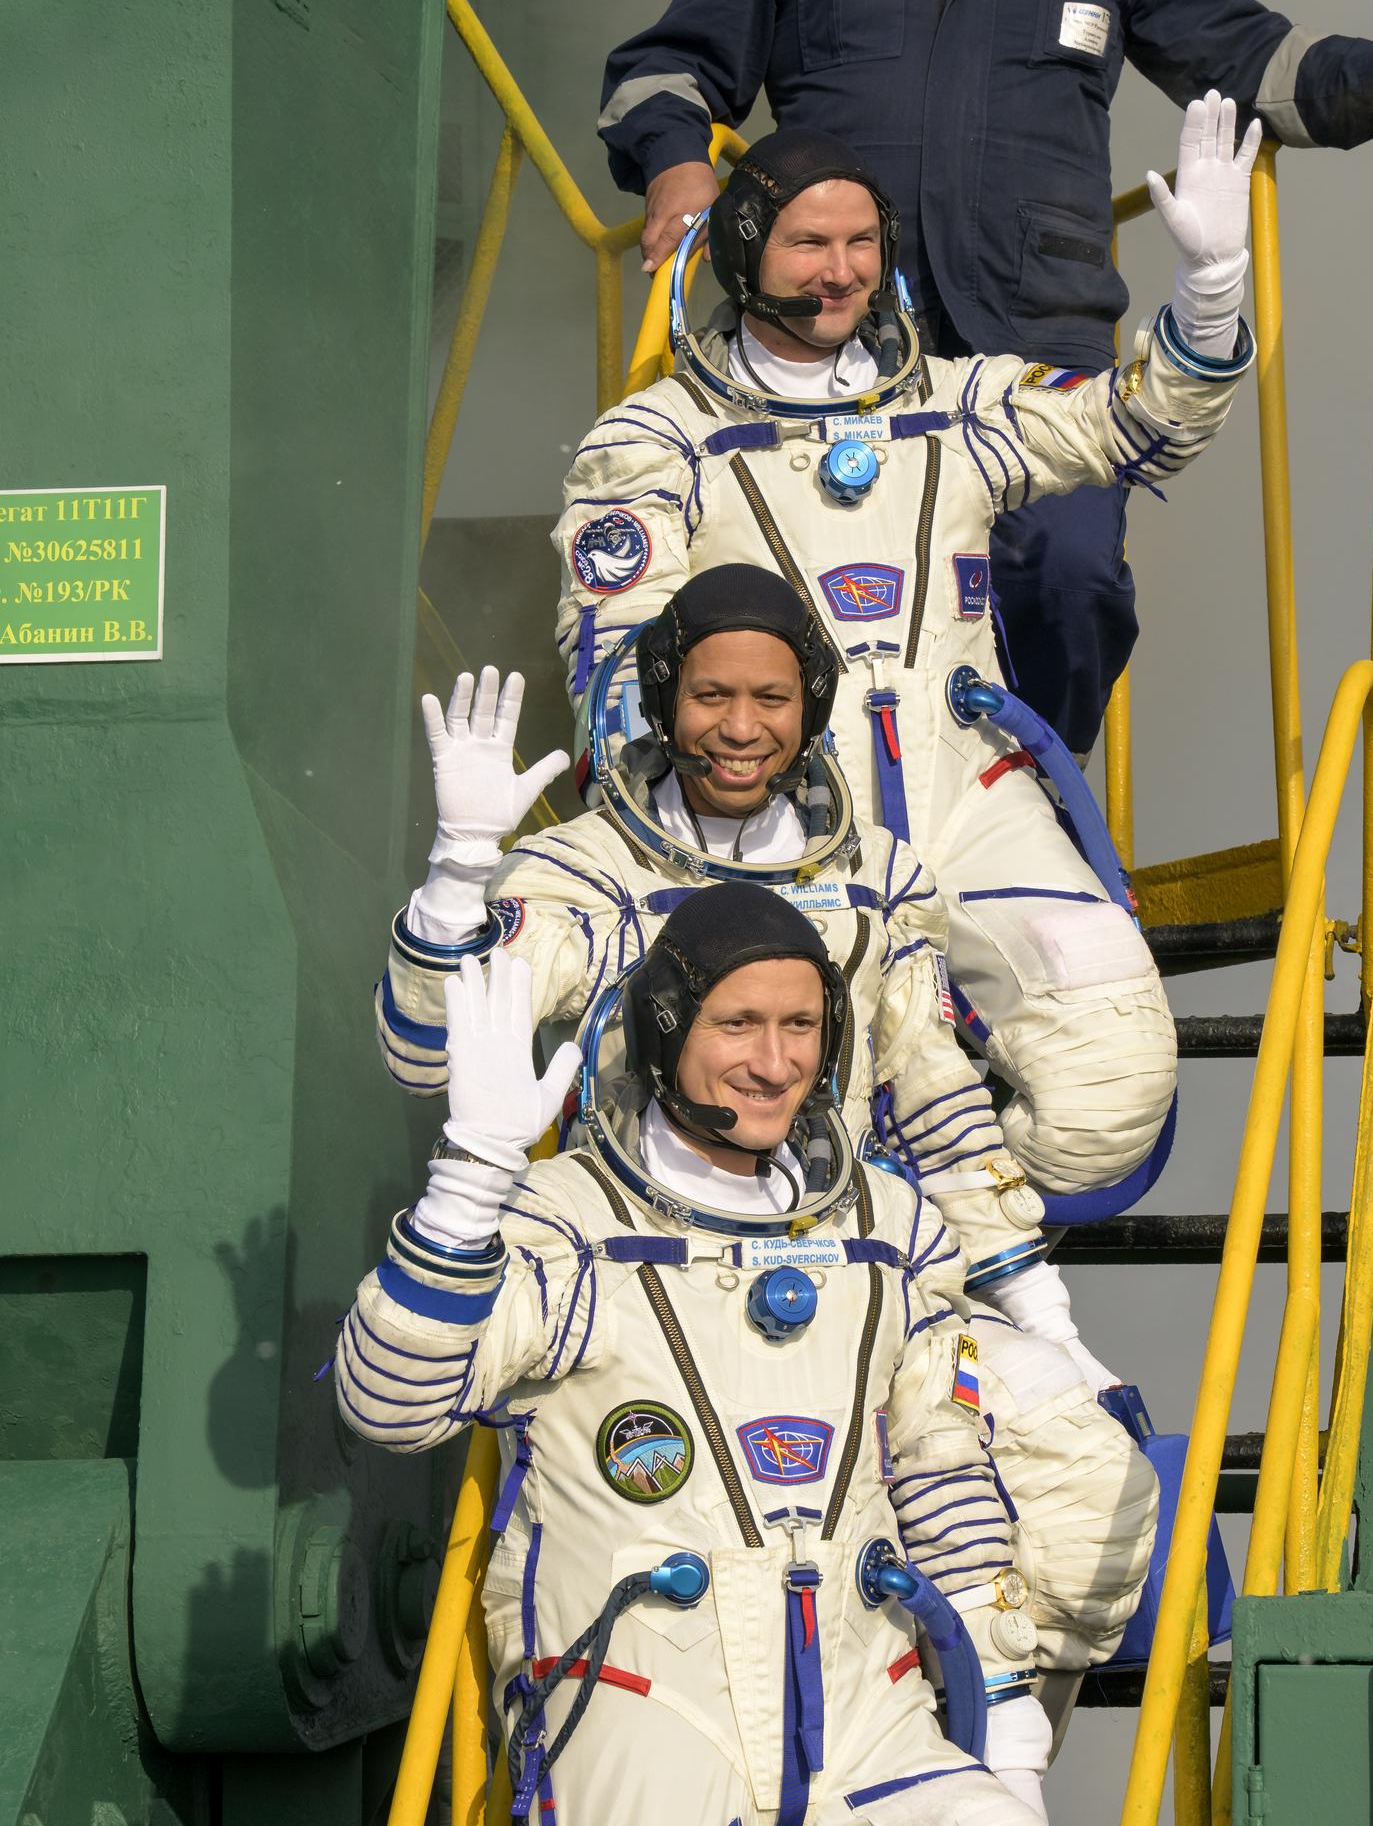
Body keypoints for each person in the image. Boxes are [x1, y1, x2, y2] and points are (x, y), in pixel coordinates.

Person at [377, 564, 1160, 1712]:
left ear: (811, 706)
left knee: (1076, 1463)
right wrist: (455, 882)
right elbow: (424, 1052)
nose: (738, 730)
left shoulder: (878, 882)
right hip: (638, 1281)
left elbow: (936, 1102)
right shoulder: (585, 874)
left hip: (847, 1267)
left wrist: (1042, 1316)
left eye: (771, 700)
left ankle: (997, 1747)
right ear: (659, 697)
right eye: (707, 697)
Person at [550, 94, 1253, 1203]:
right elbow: (619, 674)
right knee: (760, 1112)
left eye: (861, 244)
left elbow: (1137, 424)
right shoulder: (657, 443)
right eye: (809, 243)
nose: (840, 273)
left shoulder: (959, 406)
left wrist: (1208, 295)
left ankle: (954, 1243)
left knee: (1111, 1086)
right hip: (776, 828)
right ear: (745, 250)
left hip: (967, 797)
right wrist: (712, 831)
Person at [598, 0, 1373, 753]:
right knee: (802, 576)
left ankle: (1036, 801)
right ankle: (801, 823)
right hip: (836, 333)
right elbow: (668, 64)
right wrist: (676, 163)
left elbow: (1252, 59)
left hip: (1035, 335)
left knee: (1068, 574)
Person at [341, 889, 1063, 1821]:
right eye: (738, 1024)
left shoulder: (891, 1231)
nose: (774, 1063)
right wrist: (473, 1172)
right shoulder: (568, 1223)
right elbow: (388, 1404)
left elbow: (943, 1475)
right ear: (665, 1031)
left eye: (801, 1024)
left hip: (868, 1719)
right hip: (645, 1714)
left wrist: (1005, 1727)